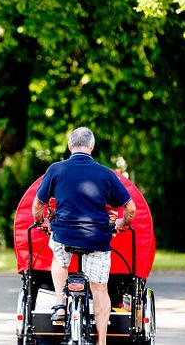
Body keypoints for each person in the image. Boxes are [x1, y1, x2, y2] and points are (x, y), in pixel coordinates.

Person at [32, 127, 136, 345]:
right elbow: (131, 209)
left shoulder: (56, 169)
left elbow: (37, 206)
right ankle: (101, 341)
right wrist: (121, 224)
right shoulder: (106, 173)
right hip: (97, 238)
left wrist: (43, 222)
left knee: (59, 258)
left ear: (70, 146)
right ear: (92, 146)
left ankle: (60, 303)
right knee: (99, 287)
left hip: (64, 234)